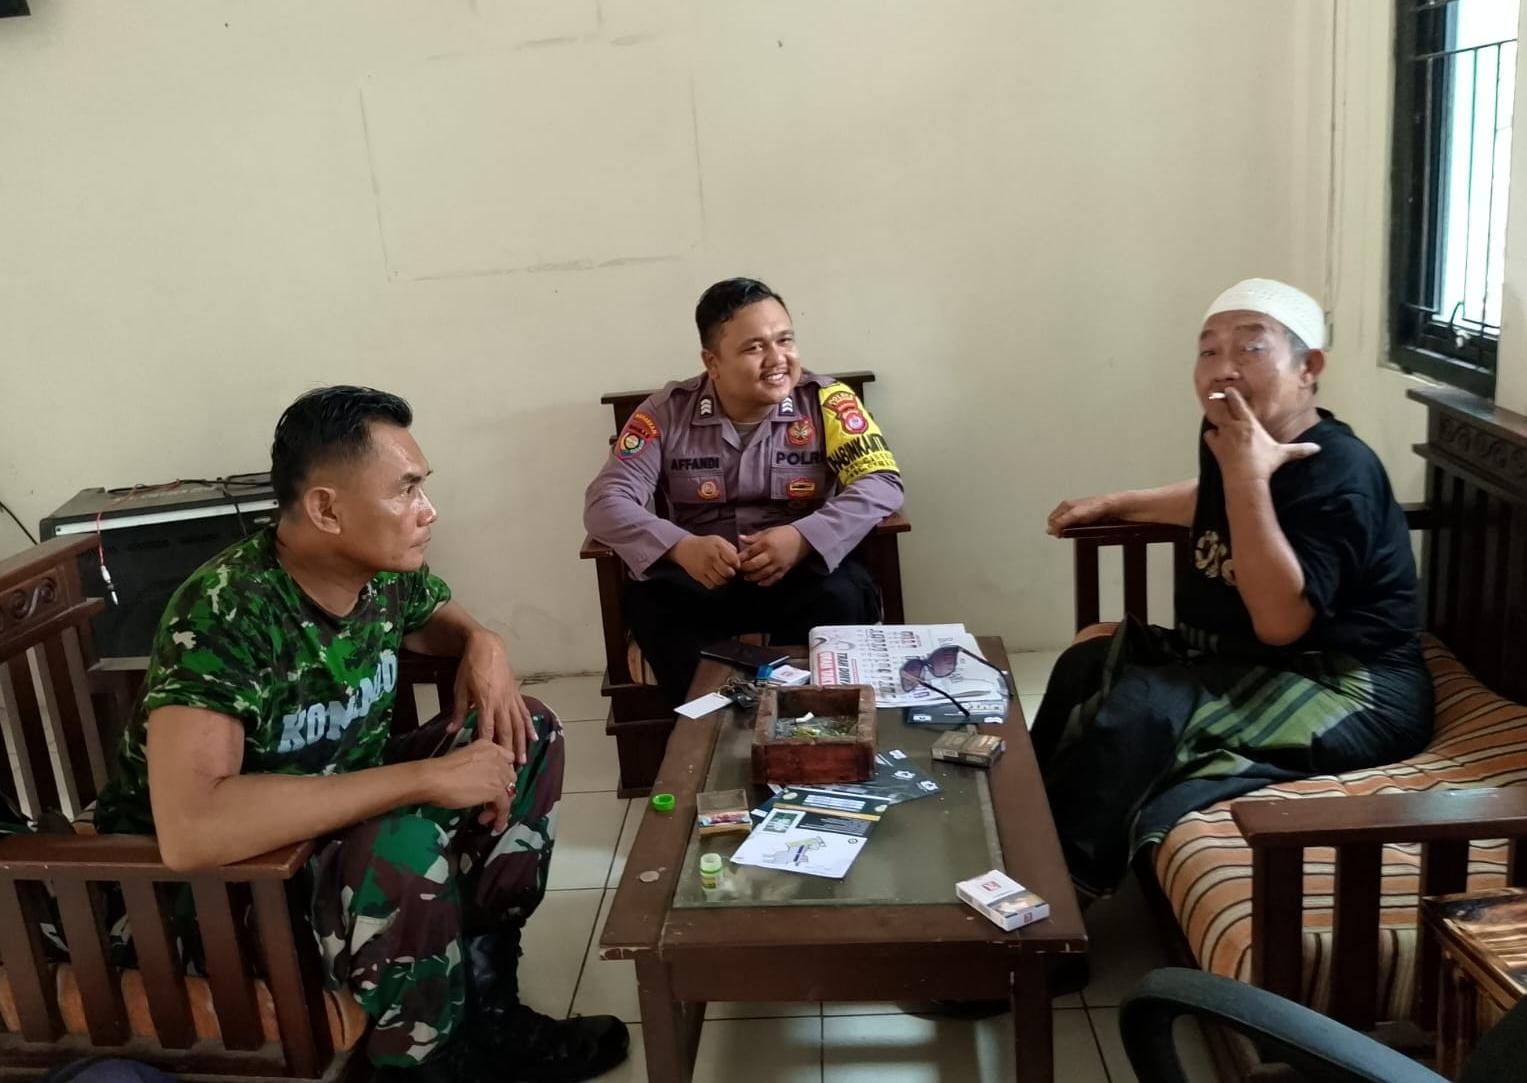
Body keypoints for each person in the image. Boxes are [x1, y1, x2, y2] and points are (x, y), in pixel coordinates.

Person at [90, 386, 628, 1082]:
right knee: (404, 844)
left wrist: (484, 645)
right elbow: (193, 829)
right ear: (325, 509)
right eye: (405, 490)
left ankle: (488, 1006)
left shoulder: (378, 575)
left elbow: (443, 621)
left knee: (526, 731)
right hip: (225, 894)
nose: (428, 510)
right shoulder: (225, 612)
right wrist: (423, 778)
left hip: (331, 830)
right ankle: (418, 1063)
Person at [1037, 279, 1433, 900]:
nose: (1224, 368)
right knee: (1085, 664)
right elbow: (1212, 500)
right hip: (1245, 660)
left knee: (1147, 706)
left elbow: (1281, 623)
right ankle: (1026, 834)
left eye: (1250, 348)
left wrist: (1247, 475)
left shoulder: (1339, 469)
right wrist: (1115, 503)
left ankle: (1058, 900)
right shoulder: (1231, 432)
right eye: (1209, 350)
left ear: (1308, 368)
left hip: (1347, 685)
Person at [583, 278, 904, 704]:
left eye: (785, 340)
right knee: (652, 603)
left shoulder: (826, 402)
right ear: (712, 362)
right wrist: (680, 547)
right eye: (755, 347)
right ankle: (710, 727)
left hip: (800, 575)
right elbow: (605, 502)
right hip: (704, 582)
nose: (777, 359)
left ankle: (810, 720)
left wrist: (805, 537)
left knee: (844, 594)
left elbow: (881, 482)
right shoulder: (666, 413)